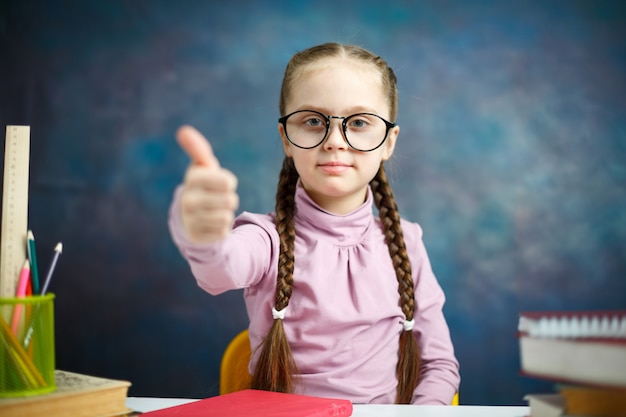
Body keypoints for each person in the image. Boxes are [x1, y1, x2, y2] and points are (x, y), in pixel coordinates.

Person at [168, 42, 460, 405]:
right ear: (285, 138)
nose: (335, 142)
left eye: (358, 123)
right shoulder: (265, 239)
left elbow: (439, 364)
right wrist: (202, 233)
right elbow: (218, 270)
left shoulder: (407, 242)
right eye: (312, 121)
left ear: (388, 141)